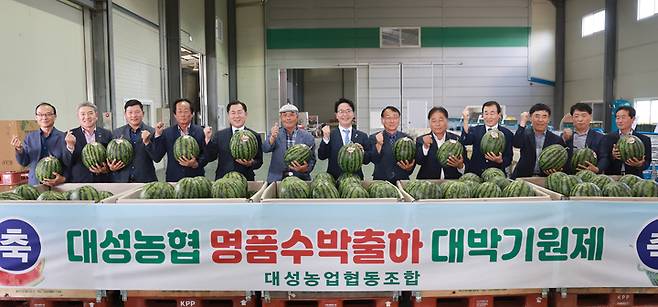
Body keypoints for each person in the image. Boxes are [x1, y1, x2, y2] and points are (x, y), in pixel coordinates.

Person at [202, 100, 263, 180]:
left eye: (239, 112)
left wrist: (250, 163)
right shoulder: (220, 135)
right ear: (228, 116)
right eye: (233, 113)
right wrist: (207, 140)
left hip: (246, 179)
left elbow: (259, 161)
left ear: (246, 114)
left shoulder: (254, 136)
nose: (237, 116)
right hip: (223, 181)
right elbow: (210, 157)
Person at [12, 102, 69, 186]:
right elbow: (24, 162)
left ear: (55, 116)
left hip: (57, 185)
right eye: (40, 115)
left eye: (48, 114)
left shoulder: (64, 137)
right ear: (36, 117)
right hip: (35, 184)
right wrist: (19, 149)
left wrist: (63, 178)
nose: (44, 117)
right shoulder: (30, 137)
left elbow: (69, 163)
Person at [152, 99, 209, 182]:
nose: (183, 115)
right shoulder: (167, 133)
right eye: (179, 111)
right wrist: (157, 135)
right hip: (174, 178)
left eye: (186, 111)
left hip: (196, 178)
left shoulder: (201, 131)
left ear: (192, 114)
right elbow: (157, 157)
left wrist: (196, 164)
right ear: (175, 115)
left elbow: (206, 154)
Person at [317, 98, 370, 180]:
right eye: (341, 111)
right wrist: (326, 139)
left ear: (353, 114)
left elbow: (367, 161)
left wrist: (362, 152)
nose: (345, 115)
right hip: (334, 180)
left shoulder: (362, 136)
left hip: (356, 181)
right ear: (336, 115)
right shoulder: (331, 135)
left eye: (348, 111)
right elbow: (322, 156)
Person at [511, 103, 567, 179]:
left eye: (544, 117)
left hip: (546, 178)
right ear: (530, 118)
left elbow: (563, 160)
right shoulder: (524, 134)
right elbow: (516, 143)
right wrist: (523, 122)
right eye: (537, 116)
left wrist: (557, 170)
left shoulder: (556, 139)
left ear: (548, 119)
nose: (540, 120)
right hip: (523, 177)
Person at [263, 104, 316, 183]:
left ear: (297, 117)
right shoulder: (275, 133)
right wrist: (272, 138)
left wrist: (305, 168)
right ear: (281, 118)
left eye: (291, 115)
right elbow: (265, 149)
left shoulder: (307, 137)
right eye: (284, 115)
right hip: (277, 179)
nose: (288, 118)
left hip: (300, 180)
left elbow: (312, 160)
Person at [63, 102, 114, 183]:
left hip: (102, 181)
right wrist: (70, 146)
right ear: (78, 117)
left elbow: (112, 157)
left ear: (96, 116)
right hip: (79, 183)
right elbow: (65, 162)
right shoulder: (70, 135)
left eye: (90, 113)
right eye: (83, 114)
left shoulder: (107, 134)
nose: (86, 117)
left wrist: (106, 169)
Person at [111, 99, 159, 182]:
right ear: (125, 114)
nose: (133, 115)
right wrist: (111, 167)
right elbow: (110, 156)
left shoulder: (152, 132)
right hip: (122, 181)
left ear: (143, 113)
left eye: (137, 112)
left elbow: (157, 157)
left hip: (145, 181)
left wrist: (147, 142)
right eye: (130, 112)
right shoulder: (116, 133)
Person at [460, 101, 513, 176]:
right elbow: (465, 141)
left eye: (492, 113)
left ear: (499, 115)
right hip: (476, 175)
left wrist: (500, 160)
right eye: (486, 113)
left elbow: (509, 158)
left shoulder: (507, 134)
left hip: (496, 176)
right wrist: (465, 120)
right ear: (482, 115)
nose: (489, 117)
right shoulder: (475, 130)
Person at [416, 107, 467, 179]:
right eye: (434, 121)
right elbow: (419, 161)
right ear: (429, 123)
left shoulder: (457, 139)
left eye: (441, 120)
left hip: (451, 184)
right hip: (428, 184)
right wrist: (425, 147)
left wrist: (460, 166)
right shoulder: (421, 140)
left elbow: (466, 164)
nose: (437, 124)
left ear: (447, 121)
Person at [369, 106, 415, 183]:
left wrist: (409, 168)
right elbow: (374, 160)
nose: (392, 121)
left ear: (399, 120)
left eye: (395, 118)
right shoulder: (374, 138)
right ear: (382, 120)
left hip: (402, 181)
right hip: (381, 182)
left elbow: (411, 164)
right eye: (388, 118)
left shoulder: (408, 139)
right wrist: (379, 144)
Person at [562, 103, 609, 174]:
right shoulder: (565, 136)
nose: (580, 119)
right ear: (572, 118)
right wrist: (564, 139)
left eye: (584, 116)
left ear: (590, 117)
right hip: (569, 176)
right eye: (576, 116)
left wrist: (597, 169)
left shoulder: (600, 137)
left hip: (590, 177)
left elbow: (605, 158)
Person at [605, 106, 652, 177]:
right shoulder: (607, 138)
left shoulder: (644, 139)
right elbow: (603, 159)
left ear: (632, 119)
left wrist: (639, 164)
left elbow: (647, 162)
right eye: (617, 118)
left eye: (623, 117)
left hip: (634, 179)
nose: (620, 121)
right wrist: (613, 156)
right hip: (613, 178)